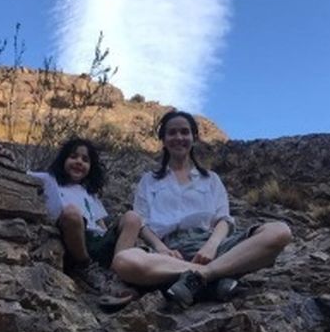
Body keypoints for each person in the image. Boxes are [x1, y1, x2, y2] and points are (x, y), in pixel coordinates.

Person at [110, 110, 293, 307]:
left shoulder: (210, 179)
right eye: (171, 133)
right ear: (163, 139)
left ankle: (204, 275)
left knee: (279, 231)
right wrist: (161, 249)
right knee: (123, 260)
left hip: (210, 245)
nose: (178, 137)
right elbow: (142, 222)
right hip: (170, 253)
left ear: (194, 137)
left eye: (184, 132)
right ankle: (216, 278)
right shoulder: (150, 180)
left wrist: (212, 246)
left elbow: (224, 219)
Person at [29, 137, 144, 277]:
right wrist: (3, 154)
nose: (79, 162)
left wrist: (108, 240)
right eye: (73, 157)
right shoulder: (48, 180)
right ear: (63, 160)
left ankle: (118, 270)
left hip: (95, 241)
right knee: (71, 212)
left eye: (85, 160)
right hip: (73, 238)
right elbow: (20, 175)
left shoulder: (89, 193)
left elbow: (100, 224)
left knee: (133, 217)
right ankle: (85, 267)